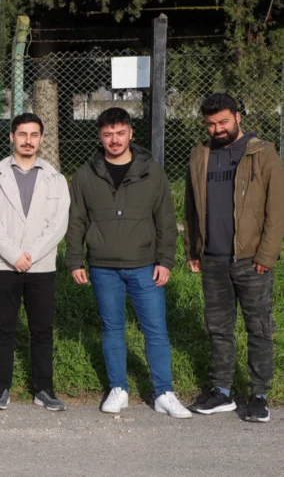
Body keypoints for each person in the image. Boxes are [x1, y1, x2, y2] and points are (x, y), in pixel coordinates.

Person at [65, 107, 190, 418]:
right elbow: (76, 221)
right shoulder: (84, 175)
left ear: (131, 134)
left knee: (156, 330)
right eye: (108, 134)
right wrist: (75, 260)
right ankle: (118, 388)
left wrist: (165, 260)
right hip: (103, 266)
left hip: (145, 264)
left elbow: (166, 220)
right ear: (99, 136)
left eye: (120, 133)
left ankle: (164, 392)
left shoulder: (152, 172)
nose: (114, 140)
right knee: (112, 329)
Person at [184, 94, 284, 423]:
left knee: (258, 329)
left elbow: (276, 211)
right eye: (211, 124)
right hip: (212, 258)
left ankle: (258, 396)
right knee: (218, 329)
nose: (218, 129)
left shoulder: (263, 154)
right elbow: (191, 204)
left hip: (252, 259)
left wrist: (267, 254)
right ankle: (222, 392)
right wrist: (193, 249)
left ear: (238, 116)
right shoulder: (200, 155)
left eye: (223, 122)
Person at [0, 113, 70, 412]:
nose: (28, 140)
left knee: (42, 329)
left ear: (41, 138)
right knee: (3, 328)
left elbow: (59, 224)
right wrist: (14, 255)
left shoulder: (55, 179)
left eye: (34, 135)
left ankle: (44, 388)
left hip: (41, 266)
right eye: (22, 134)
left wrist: (31, 253)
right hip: (6, 265)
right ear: (12, 137)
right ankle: (1, 387)